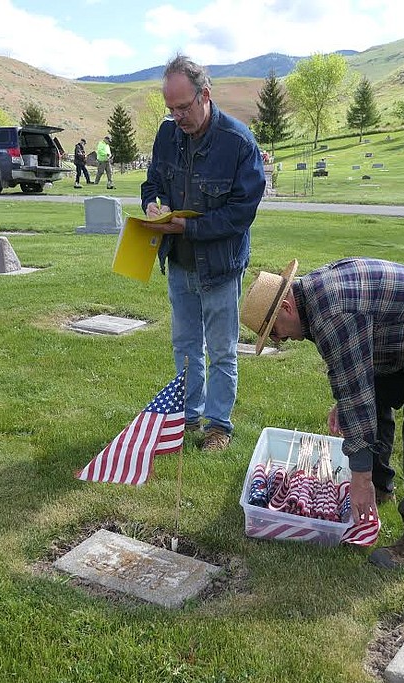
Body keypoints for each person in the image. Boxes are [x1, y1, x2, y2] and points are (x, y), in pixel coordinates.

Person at [240, 257, 404, 568]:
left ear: (286, 307)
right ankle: (381, 489)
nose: (280, 339)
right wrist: (346, 404)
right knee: (375, 398)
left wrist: (359, 477)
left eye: (274, 332)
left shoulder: (332, 312)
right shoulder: (316, 297)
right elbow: (357, 372)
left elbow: (356, 391)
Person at [141, 54, 266, 452]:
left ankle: (219, 428)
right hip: (178, 262)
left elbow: (239, 215)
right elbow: (152, 183)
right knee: (186, 345)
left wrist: (188, 226)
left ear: (205, 95)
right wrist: (152, 205)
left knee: (223, 350)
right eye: (171, 109)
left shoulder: (239, 142)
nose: (178, 117)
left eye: (183, 107)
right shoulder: (167, 135)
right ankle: (187, 418)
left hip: (220, 268)